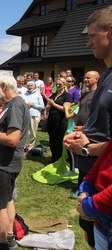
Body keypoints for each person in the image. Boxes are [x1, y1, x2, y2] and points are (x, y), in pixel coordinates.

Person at [64, 6, 112, 248]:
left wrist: (88, 149)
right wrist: (82, 134)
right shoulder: (106, 76)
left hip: (107, 187)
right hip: (93, 176)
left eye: (93, 36)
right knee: (92, 237)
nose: (88, 44)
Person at [0, 72, 29, 249]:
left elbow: (12, 139)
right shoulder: (12, 104)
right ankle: (9, 236)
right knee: (8, 200)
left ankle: (2, 242)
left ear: (3, 86)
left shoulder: (15, 106)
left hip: (4, 163)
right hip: (6, 162)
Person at [46, 78, 73, 162]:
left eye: (60, 84)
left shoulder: (67, 96)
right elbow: (47, 107)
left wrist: (54, 104)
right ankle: (53, 157)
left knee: (59, 140)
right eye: (56, 84)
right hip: (51, 120)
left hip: (60, 120)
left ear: (64, 85)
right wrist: (49, 105)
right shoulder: (53, 95)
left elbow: (65, 109)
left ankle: (58, 158)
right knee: (52, 139)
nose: (58, 86)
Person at [23, 81, 44, 151]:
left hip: (34, 115)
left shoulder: (38, 94)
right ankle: (24, 145)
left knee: (33, 131)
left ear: (34, 86)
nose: (29, 87)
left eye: (31, 85)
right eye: (28, 85)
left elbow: (42, 106)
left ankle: (30, 147)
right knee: (24, 131)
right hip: (25, 115)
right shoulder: (24, 94)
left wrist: (33, 105)